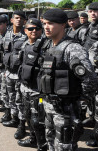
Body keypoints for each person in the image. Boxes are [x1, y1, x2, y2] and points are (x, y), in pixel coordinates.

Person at [38, 8, 97, 150]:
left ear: (63, 25)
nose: (46, 27)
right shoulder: (48, 45)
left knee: (64, 147)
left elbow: (91, 80)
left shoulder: (73, 49)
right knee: (51, 143)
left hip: (65, 110)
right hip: (48, 105)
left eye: (51, 23)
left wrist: (74, 98)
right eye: (45, 23)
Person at [17, 18, 47, 151]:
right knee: (28, 115)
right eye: (30, 29)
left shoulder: (46, 46)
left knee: (38, 118)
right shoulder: (24, 45)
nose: (34, 31)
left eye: (37, 28)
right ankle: (33, 139)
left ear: (41, 30)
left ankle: (42, 145)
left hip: (38, 91)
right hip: (25, 88)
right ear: (25, 31)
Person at [1, 11, 27, 132]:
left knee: (20, 100)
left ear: (24, 21)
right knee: (11, 96)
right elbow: (5, 52)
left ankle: (22, 125)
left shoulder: (26, 35)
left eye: (21, 18)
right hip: (9, 72)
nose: (19, 20)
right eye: (16, 18)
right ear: (11, 20)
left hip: (20, 74)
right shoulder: (7, 34)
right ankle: (14, 118)